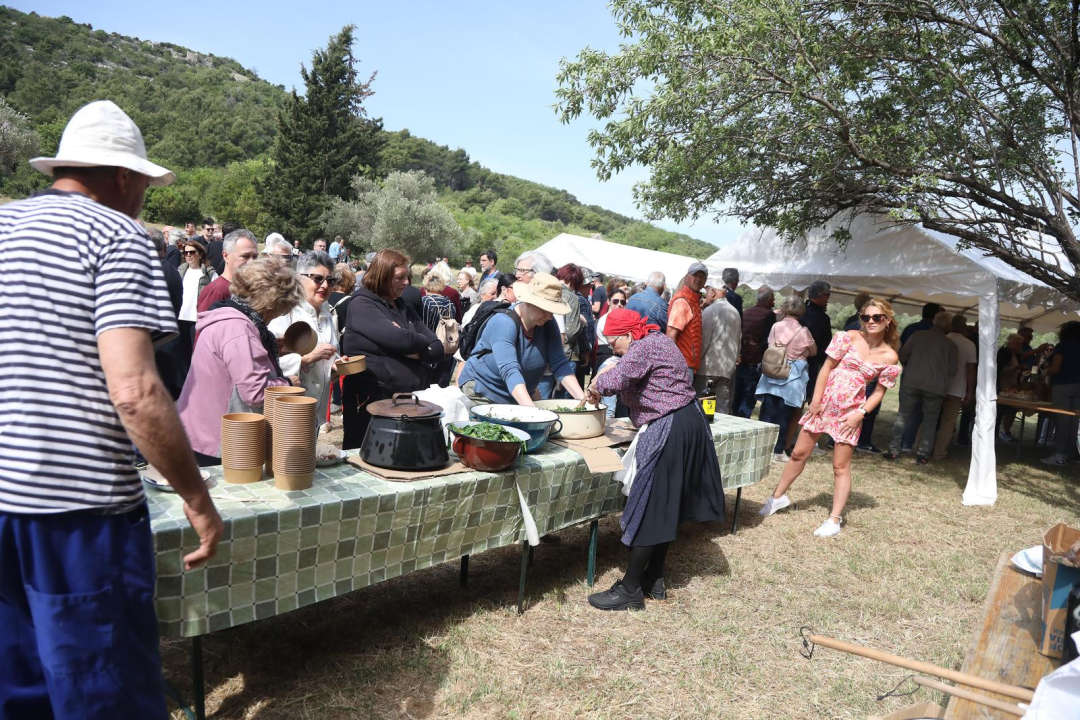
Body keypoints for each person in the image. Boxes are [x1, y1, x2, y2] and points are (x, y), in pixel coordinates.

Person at [1, 99, 222, 718]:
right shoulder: (115, 234)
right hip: (78, 512)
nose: (143, 199)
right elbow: (135, 390)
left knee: (17, 686)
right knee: (105, 691)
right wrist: (197, 498)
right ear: (124, 176)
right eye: (144, 185)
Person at [584, 309, 725, 610]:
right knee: (665, 506)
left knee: (651, 504)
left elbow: (616, 379)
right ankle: (653, 578)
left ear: (627, 334)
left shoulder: (644, 347)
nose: (612, 348)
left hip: (671, 425)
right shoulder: (656, 340)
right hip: (687, 421)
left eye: (613, 342)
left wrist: (595, 385)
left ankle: (630, 589)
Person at [760, 299, 901, 537]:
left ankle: (834, 520)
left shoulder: (890, 356)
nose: (870, 321)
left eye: (877, 317)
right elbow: (826, 367)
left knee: (840, 466)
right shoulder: (848, 337)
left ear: (887, 320)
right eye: (866, 317)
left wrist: (860, 414)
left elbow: (879, 392)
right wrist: (816, 400)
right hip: (823, 405)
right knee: (798, 453)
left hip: (850, 414)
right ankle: (777, 498)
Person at [178, 260, 303, 465]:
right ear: (272, 302)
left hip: (199, 433)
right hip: (216, 441)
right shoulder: (238, 328)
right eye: (282, 308)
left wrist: (268, 350)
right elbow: (255, 392)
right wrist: (288, 384)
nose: (279, 314)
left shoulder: (227, 317)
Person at [341, 250, 444, 449]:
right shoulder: (362, 304)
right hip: (372, 401)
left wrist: (409, 341)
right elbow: (403, 341)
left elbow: (437, 349)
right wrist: (410, 340)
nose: (406, 282)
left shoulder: (402, 306)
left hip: (405, 400)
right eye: (400, 277)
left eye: (407, 276)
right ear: (382, 276)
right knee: (368, 454)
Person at [458, 273, 587, 405]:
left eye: (552, 311)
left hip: (516, 395)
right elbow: (510, 370)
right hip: (483, 392)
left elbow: (559, 362)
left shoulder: (548, 322)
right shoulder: (504, 323)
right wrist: (532, 411)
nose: (549, 316)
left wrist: (583, 400)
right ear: (529, 302)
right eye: (545, 309)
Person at [268, 251, 340, 433]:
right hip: (288, 411)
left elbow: (328, 355)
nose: (325, 285)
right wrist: (306, 359)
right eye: (318, 279)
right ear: (300, 278)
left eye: (330, 281)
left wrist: (334, 368)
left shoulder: (327, 313)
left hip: (315, 409)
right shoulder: (284, 312)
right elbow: (267, 364)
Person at [884, 312, 958, 464]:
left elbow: (903, 355)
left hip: (912, 382)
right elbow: (952, 371)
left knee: (903, 416)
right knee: (930, 421)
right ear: (947, 326)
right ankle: (923, 455)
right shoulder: (951, 345)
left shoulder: (917, 335)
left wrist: (911, 367)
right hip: (936, 387)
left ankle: (894, 451)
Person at [756, 296, 818, 461]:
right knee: (784, 415)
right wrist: (800, 353)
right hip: (792, 375)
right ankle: (778, 451)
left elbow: (771, 344)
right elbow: (813, 351)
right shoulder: (803, 331)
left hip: (773, 370)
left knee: (768, 412)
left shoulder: (776, 326)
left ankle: (762, 448)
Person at [932, 314, 977, 461]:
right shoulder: (969, 345)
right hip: (957, 389)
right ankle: (939, 452)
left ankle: (920, 446)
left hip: (937, 385)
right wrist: (970, 391)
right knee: (948, 422)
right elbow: (971, 370)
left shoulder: (942, 339)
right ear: (964, 327)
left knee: (930, 418)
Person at [697, 284, 742, 413]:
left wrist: (695, 362)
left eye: (707, 291)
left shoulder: (710, 311)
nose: (705, 295)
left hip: (707, 369)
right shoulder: (735, 312)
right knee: (721, 410)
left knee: (703, 410)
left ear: (712, 292)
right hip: (726, 370)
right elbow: (738, 340)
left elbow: (703, 341)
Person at [733, 286, 776, 418]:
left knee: (737, 397)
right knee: (748, 399)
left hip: (741, 359)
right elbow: (767, 340)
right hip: (755, 362)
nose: (774, 302)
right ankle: (742, 425)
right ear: (769, 299)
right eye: (773, 298)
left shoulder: (747, 312)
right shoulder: (769, 315)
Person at [1041, 321, 1080, 466]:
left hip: (1063, 385)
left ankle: (1059, 455)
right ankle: (1070, 453)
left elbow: (1055, 369)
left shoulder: (1062, 346)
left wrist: (1046, 371)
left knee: (1062, 420)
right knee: (1074, 422)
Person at [555, 264, 596, 394]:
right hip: (568, 354)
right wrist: (581, 322)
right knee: (564, 400)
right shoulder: (571, 297)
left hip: (550, 354)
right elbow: (570, 331)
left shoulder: (551, 292)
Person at [196, 228, 258, 314]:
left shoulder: (248, 287)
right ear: (226, 256)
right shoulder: (217, 291)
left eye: (255, 257)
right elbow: (205, 321)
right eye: (245, 256)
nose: (251, 262)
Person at [177, 239, 219, 364]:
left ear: (200, 255)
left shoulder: (210, 274)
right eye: (185, 253)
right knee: (181, 356)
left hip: (198, 319)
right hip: (180, 318)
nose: (188, 255)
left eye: (192, 252)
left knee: (197, 355)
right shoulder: (180, 271)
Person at [666, 262, 708, 375]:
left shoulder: (693, 300)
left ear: (705, 280)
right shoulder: (683, 301)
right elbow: (670, 335)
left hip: (688, 365)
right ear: (687, 277)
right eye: (695, 275)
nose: (698, 279)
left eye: (702, 276)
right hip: (682, 365)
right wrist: (676, 364)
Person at [996, 333, 1026, 442]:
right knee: (999, 411)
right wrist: (1015, 368)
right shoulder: (1004, 354)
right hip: (1001, 386)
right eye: (1017, 344)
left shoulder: (1017, 355)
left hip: (1012, 387)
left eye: (1020, 344)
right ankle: (995, 433)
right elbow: (999, 371)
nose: (1019, 346)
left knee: (1012, 409)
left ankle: (1005, 432)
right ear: (1010, 343)